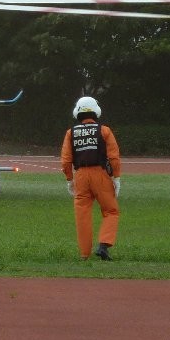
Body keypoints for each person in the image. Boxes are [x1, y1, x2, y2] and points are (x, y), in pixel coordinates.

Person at [60, 96, 122, 261]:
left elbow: (66, 160)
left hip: (80, 176)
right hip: (100, 175)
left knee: (82, 215)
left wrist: (69, 179)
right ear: (96, 111)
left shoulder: (70, 133)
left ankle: (84, 255)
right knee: (111, 211)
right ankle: (103, 245)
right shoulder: (104, 131)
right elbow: (114, 158)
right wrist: (116, 177)